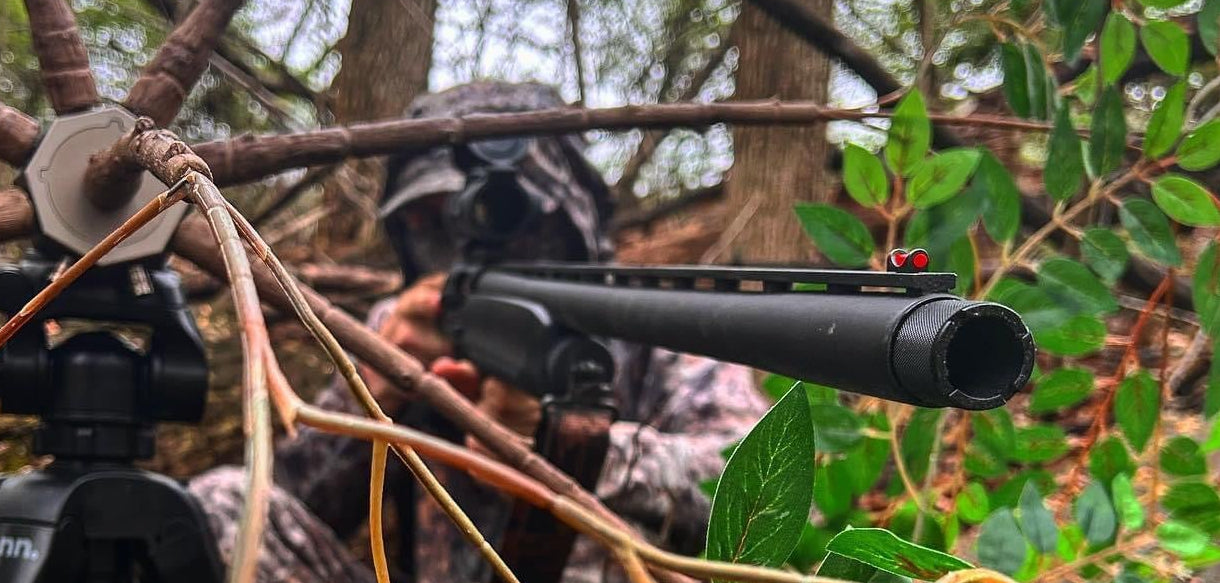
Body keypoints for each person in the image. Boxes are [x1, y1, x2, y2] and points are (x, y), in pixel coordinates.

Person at [188, 81, 769, 583]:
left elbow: (772, 490)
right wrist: (370, 400)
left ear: (568, 222)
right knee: (224, 506)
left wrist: (572, 448)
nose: (467, 240)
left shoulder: (645, 324)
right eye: (431, 222)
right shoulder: (394, 332)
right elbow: (284, 495)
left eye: (506, 213)